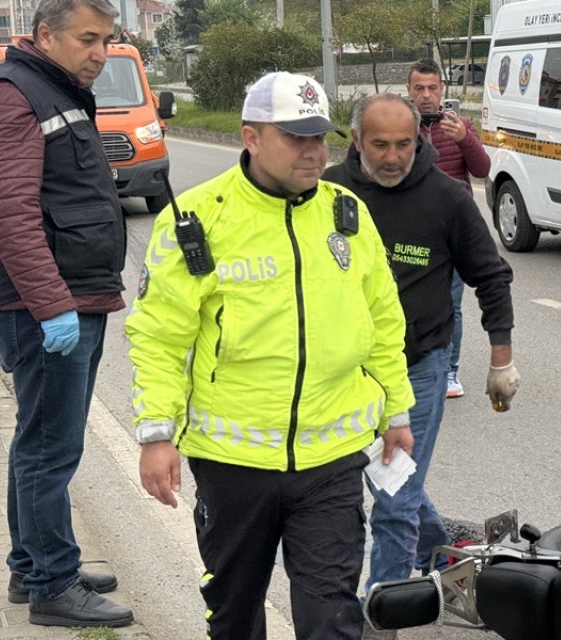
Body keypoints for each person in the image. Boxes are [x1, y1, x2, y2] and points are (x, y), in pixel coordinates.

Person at [127, 71, 416, 640]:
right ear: (251, 138)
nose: (313, 152)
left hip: (330, 463)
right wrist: (156, 433)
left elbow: (383, 323)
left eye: (320, 138)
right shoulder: (196, 222)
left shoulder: (346, 215)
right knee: (234, 617)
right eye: (295, 138)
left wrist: (397, 414)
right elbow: (160, 337)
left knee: (331, 617)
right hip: (234, 466)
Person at [0, 0, 133, 627]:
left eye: (108, 41)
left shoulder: (49, 90)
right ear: (45, 36)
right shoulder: (12, 96)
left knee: (40, 443)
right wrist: (53, 306)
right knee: (49, 451)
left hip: (72, 297)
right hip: (45, 308)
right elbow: (11, 214)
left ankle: (31, 564)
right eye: (89, 40)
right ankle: (53, 587)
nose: (101, 53)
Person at [324, 93, 518, 625]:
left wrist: (500, 359)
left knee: (393, 498)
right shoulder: (329, 195)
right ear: (357, 141)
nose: (392, 157)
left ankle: (376, 617)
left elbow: (491, 275)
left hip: (417, 371)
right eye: (379, 145)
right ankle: (449, 558)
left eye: (404, 144)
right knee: (390, 486)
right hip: (342, 373)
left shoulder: (446, 198)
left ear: (420, 140)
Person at [405, 59, 492, 399]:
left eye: (433, 88)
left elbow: (482, 168)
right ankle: (412, 365)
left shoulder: (460, 125)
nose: (426, 95)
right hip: (412, 230)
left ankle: (449, 371)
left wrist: (465, 139)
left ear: (442, 90)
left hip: (453, 232)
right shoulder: (399, 128)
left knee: (451, 303)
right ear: (408, 91)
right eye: (419, 89)